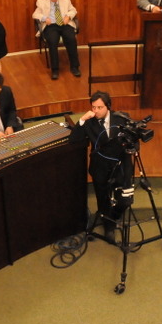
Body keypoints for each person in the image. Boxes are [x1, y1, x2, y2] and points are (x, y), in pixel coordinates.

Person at [70, 91, 133, 243]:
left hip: (120, 166)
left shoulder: (121, 118)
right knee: (103, 199)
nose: (96, 111)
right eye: (93, 107)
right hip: (100, 167)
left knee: (126, 199)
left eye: (100, 107)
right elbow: (74, 139)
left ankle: (114, 216)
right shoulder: (89, 122)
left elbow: (133, 140)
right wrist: (83, 119)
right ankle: (109, 226)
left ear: (108, 107)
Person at [32, 0, 81, 80]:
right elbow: (35, 14)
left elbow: (73, 10)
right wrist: (44, 18)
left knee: (71, 39)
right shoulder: (41, 2)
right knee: (52, 41)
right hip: (51, 25)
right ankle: (55, 69)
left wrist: (68, 16)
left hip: (64, 23)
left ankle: (75, 67)